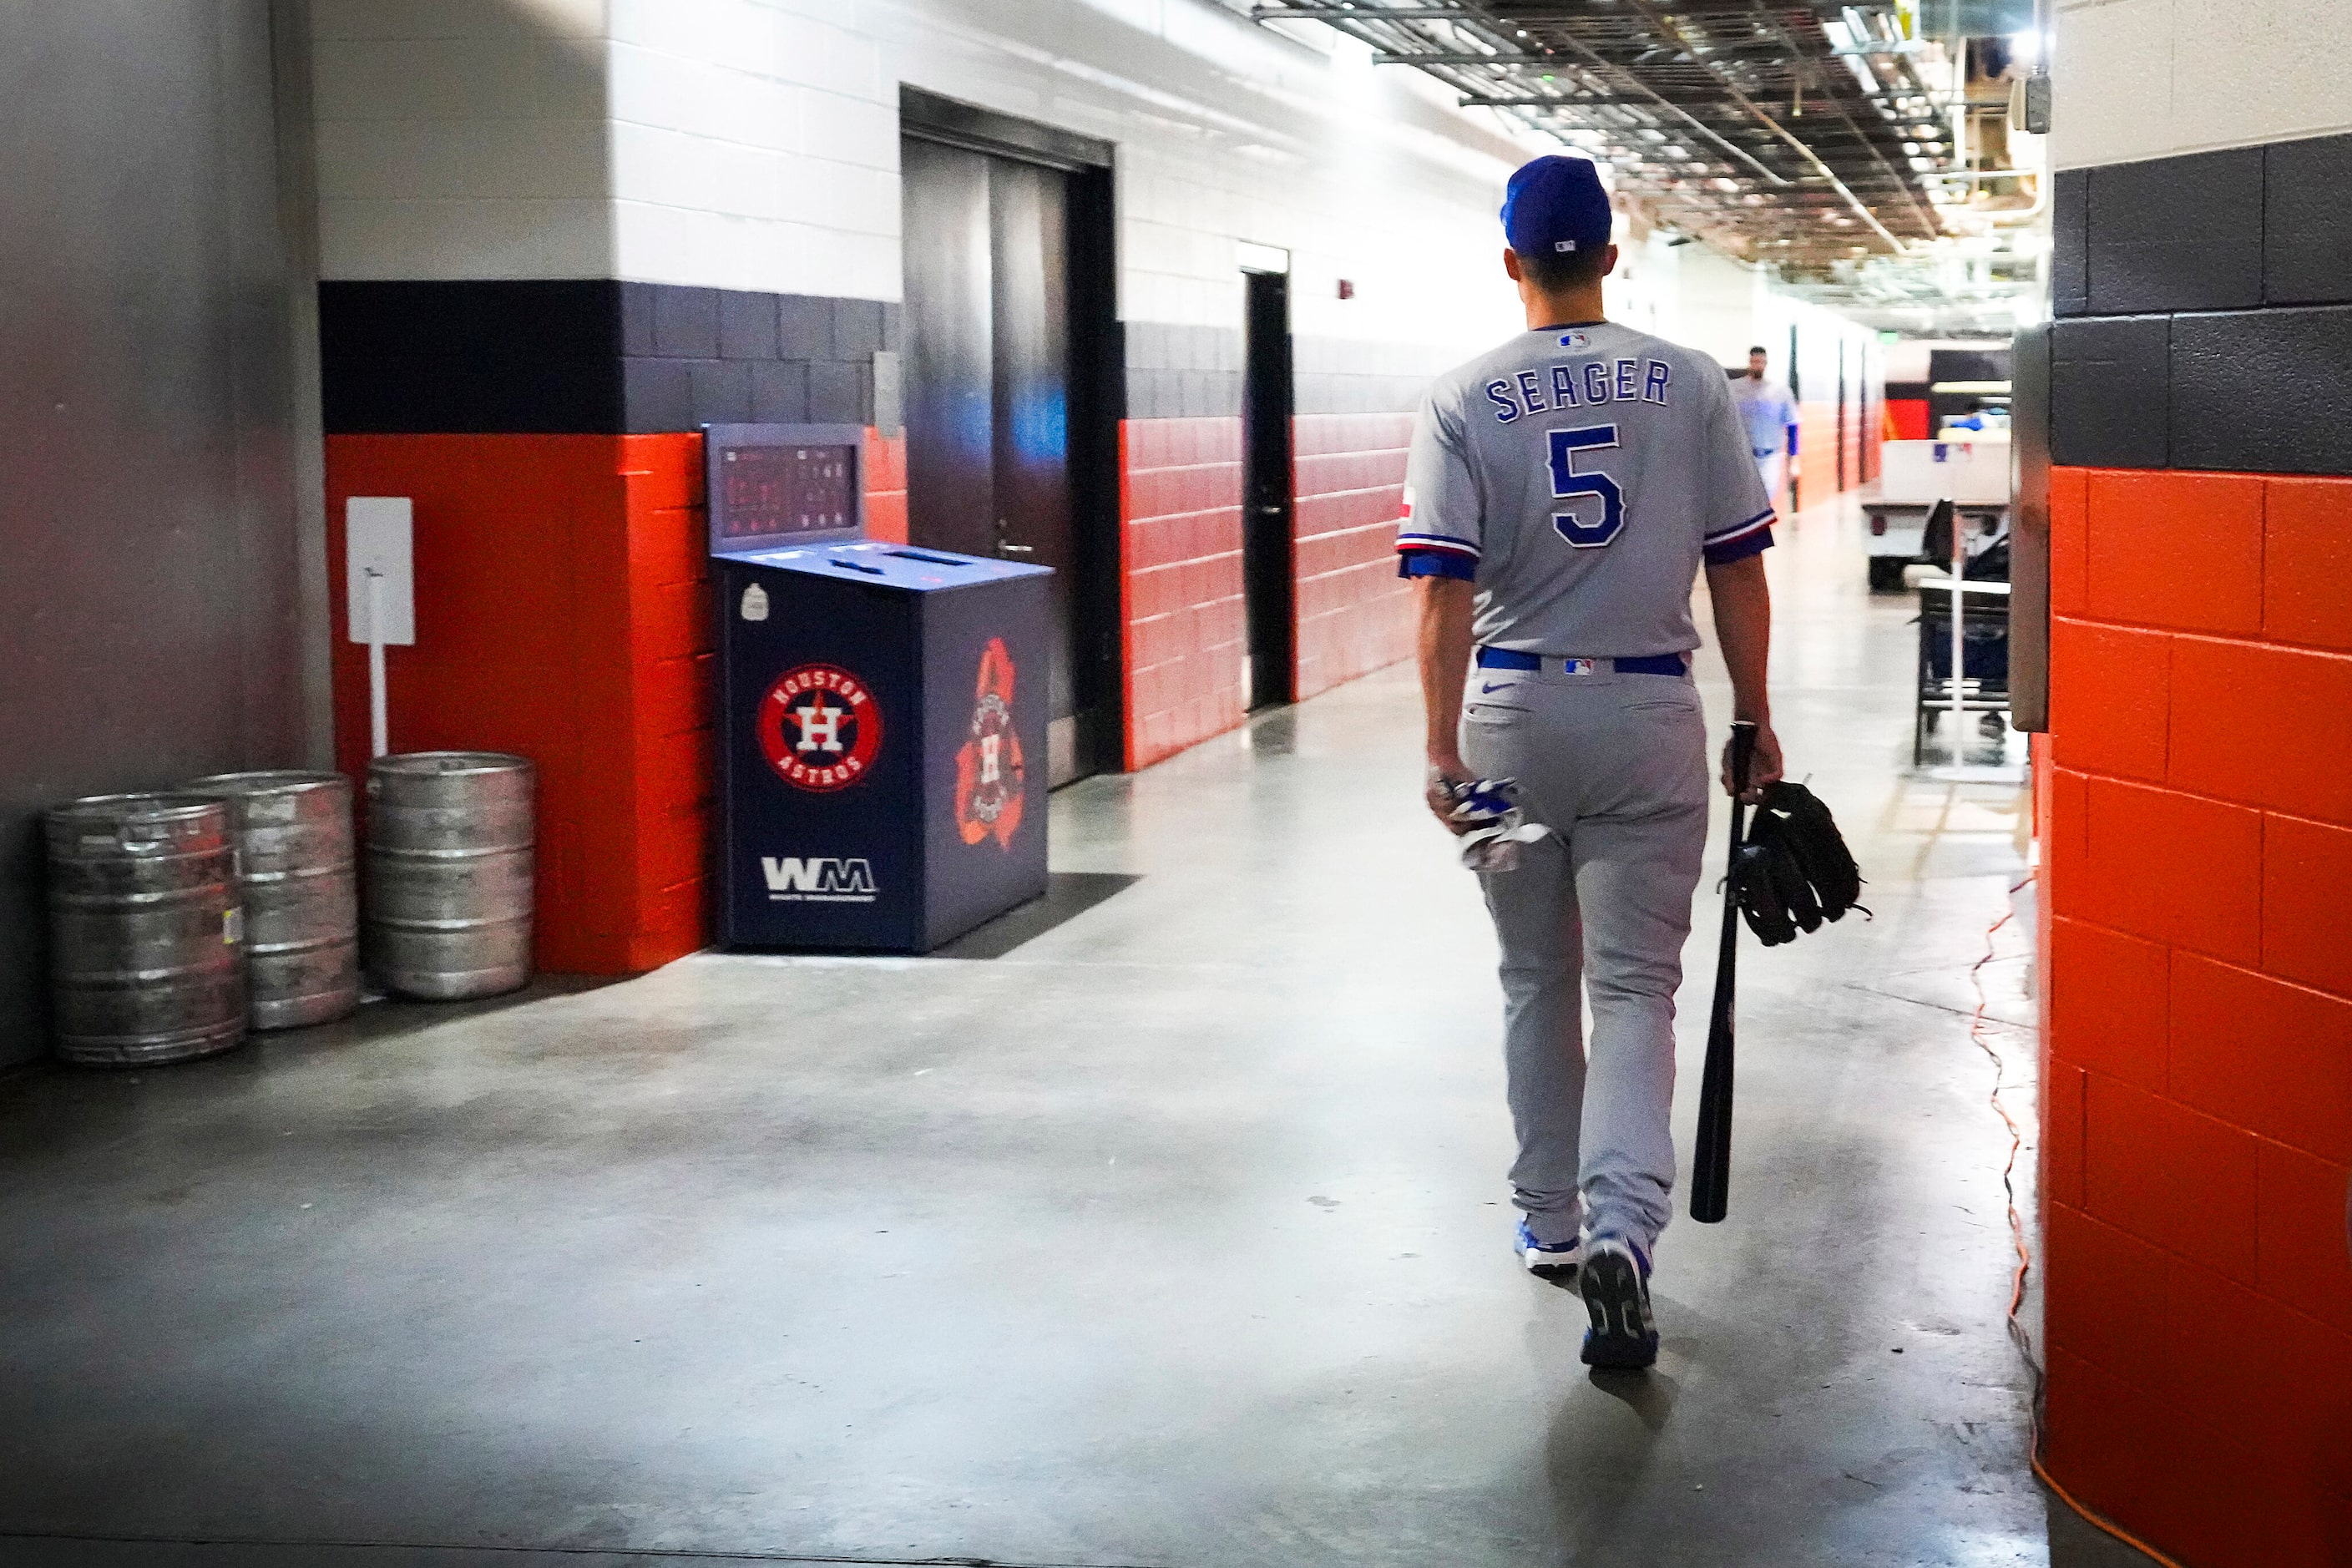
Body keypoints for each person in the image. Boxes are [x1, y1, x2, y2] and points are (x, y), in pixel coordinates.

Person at [1397, 155, 1784, 1371]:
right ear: (1611, 256)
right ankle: (1624, 1229)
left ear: (1511, 261)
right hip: (1647, 713)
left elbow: (1441, 590)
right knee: (1633, 989)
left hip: (1512, 717)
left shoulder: (1459, 398)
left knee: (1530, 977)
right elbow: (1737, 564)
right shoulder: (1688, 385)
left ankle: (1550, 1223)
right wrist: (1754, 717)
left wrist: (1437, 743)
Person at [1730, 346, 1799, 505]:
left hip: (1770, 455)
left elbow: (1793, 425)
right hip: (1744, 453)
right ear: (1749, 362)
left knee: (1766, 498)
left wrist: (1794, 461)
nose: (1758, 365)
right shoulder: (1734, 389)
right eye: (1754, 362)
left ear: (1766, 363)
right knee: (1743, 498)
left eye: (1761, 362)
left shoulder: (1780, 392)